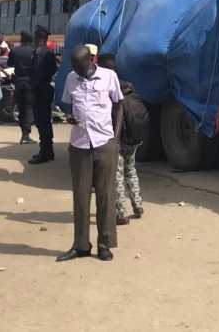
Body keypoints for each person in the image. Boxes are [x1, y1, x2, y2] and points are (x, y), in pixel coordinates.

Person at [57, 45, 123, 263]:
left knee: (105, 196)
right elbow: (69, 107)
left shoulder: (109, 76)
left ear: (92, 60)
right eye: (74, 66)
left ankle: (105, 244)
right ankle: (81, 245)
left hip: (104, 143)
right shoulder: (71, 78)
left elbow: (119, 106)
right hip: (79, 145)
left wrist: (116, 137)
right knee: (81, 197)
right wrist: (69, 117)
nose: (77, 70)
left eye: (81, 65)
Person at [97, 54, 144, 224]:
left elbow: (114, 113)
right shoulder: (127, 85)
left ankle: (120, 213)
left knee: (117, 173)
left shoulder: (107, 85)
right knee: (131, 169)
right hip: (133, 136)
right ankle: (137, 204)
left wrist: (113, 138)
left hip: (118, 136)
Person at [29, 26, 59, 164]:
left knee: (42, 122)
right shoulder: (49, 52)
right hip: (46, 88)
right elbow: (53, 69)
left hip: (40, 90)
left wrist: (33, 90)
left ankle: (44, 152)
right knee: (46, 121)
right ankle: (49, 151)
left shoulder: (39, 53)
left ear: (38, 38)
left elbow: (37, 73)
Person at [10, 31, 37, 145]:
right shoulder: (34, 51)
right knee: (29, 108)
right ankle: (26, 135)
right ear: (31, 40)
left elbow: (9, 63)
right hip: (30, 82)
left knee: (21, 107)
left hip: (19, 81)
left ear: (22, 39)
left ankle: (23, 132)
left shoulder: (15, 51)